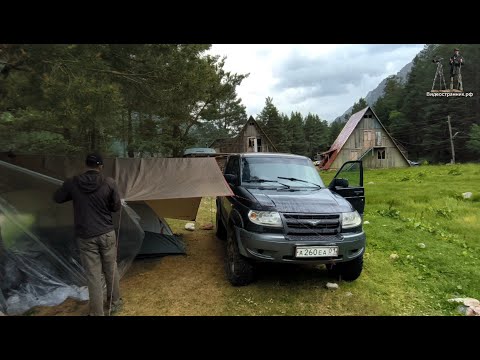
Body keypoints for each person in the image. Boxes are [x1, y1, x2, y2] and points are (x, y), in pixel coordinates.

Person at [53, 153, 123, 316]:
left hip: (86, 237)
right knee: (111, 269)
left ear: (86, 165)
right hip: (106, 233)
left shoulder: (73, 182)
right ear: (100, 167)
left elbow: (58, 198)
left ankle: (97, 312)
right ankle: (115, 303)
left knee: (93, 276)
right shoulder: (109, 182)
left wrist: (72, 191)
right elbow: (116, 207)